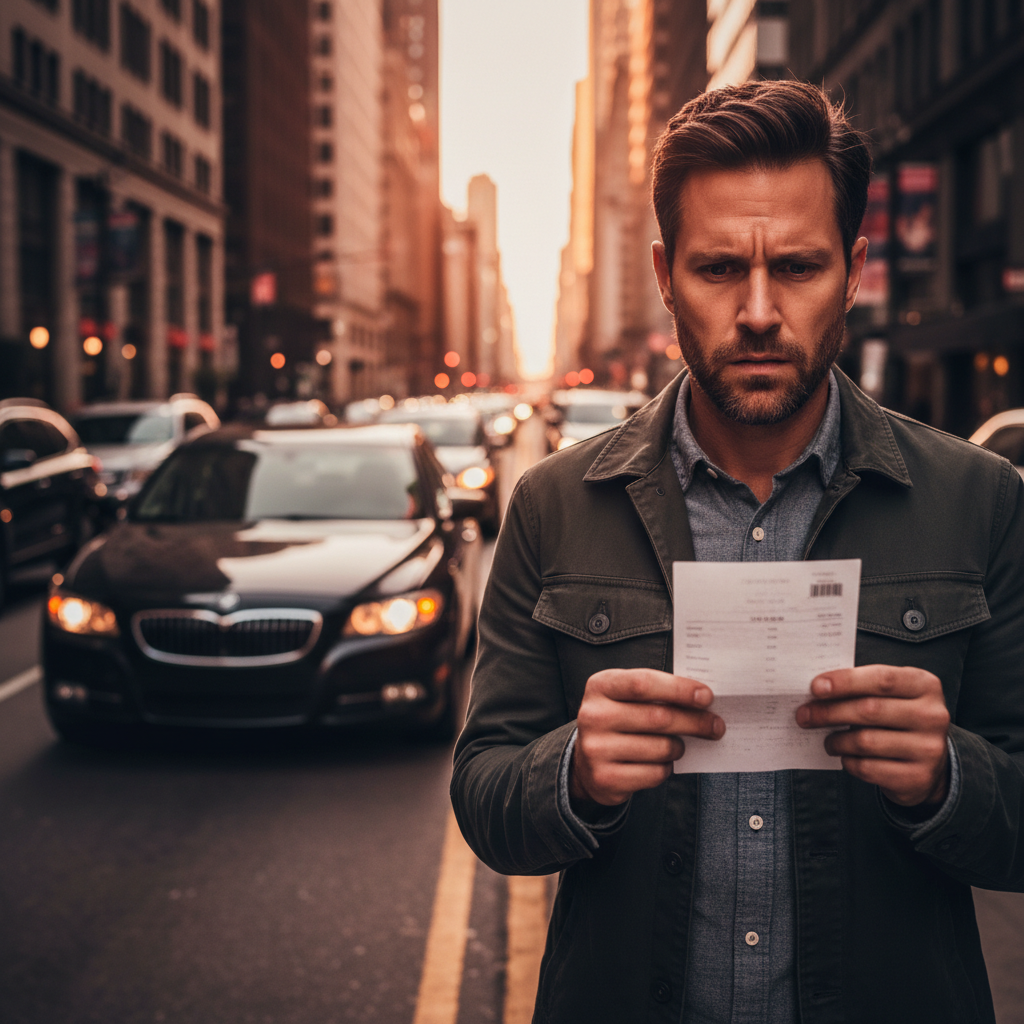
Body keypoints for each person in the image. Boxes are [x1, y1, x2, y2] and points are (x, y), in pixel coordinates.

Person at [450, 80, 1024, 1024]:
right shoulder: (552, 505)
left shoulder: (983, 501)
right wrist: (574, 772)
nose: (759, 312)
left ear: (854, 268)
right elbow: (484, 793)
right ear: (667, 274)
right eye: (720, 270)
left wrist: (950, 778)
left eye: (797, 268)